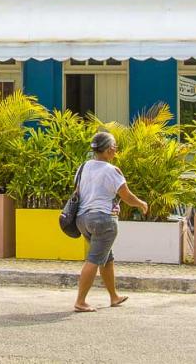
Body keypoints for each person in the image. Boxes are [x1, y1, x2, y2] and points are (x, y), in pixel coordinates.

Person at [73, 131, 148, 313]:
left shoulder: (83, 167)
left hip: (83, 219)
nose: (115, 150)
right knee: (94, 259)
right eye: (114, 147)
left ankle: (114, 296)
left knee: (106, 257)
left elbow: (77, 191)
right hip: (103, 220)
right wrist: (141, 204)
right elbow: (127, 196)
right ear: (107, 150)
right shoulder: (111, 171)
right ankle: (80, 301)